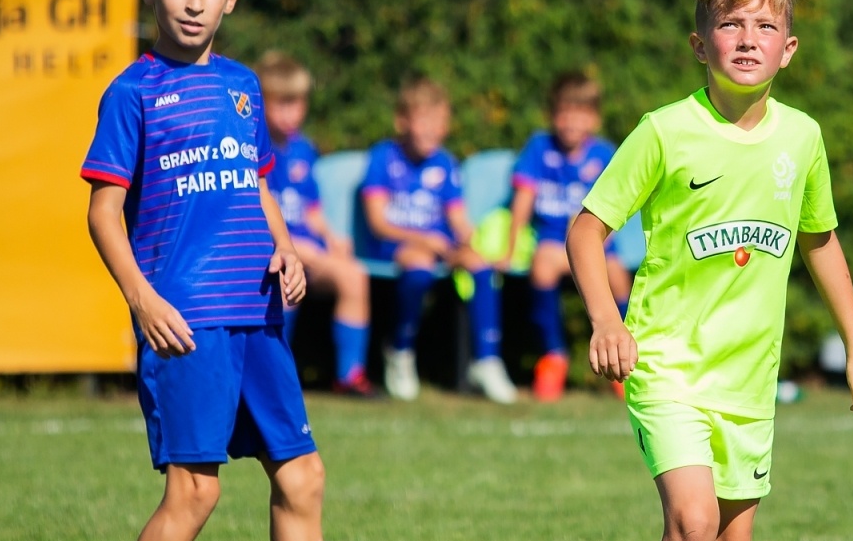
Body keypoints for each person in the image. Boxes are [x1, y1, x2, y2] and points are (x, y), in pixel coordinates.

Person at [79, 0, 404, 541]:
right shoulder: (134, 93)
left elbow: (255, 183)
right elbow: (100, 212)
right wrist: (141, 298)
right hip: (186, 324)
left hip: (258, 318)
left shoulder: (241, 87)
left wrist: (286, 246)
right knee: (195, 489)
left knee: (303, 476)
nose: (193, 0)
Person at [566, 0, 853, 541]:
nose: (747, 37)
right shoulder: (664, 132)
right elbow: (587, 228)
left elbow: (822, 241)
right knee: (693, 522)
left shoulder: (802, 139)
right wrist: (607, 319)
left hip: (750, 382)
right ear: (699, 43)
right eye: (728, 23)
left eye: (765, 24)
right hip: (666, 365)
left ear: (789, 48)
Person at [358, 76, 517, 404]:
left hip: (438, 246)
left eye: (440, 122)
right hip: (394, 246)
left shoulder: (445, 162)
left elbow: (457, 218)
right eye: (424, 120)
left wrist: (470, 239)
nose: (433, 129)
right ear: (402, 120)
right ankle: (399, 352)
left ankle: (486, 360)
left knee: (479, 265)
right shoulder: (382, 157)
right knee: (419, 264)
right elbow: (378, 223)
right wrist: (422, 239)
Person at [256, 51, 375, 396]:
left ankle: (349, 376)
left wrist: (333, 237)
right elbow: (255, 209)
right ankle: (274, 376)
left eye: (297, 104)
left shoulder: (304, 149)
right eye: (282, 104)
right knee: (286, 282)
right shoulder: (252, 146)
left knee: (355, 276)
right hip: (274, 251)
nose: (290, 114)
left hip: (310, 249)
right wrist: (290, 245)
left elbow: (312, 211)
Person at [507, 72, 631, 401]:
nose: (571, 122)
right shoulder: (538, 148)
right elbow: (522, 200)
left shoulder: (604, 154)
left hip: (599, 245)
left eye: (580, 114)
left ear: (594, 118)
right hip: (552, 241)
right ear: (552, 115)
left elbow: (617, 209)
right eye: (564, 113)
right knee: (542, 266)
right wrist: (509, 246)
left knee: (618, 277)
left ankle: (624, 359)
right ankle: (553, 356)